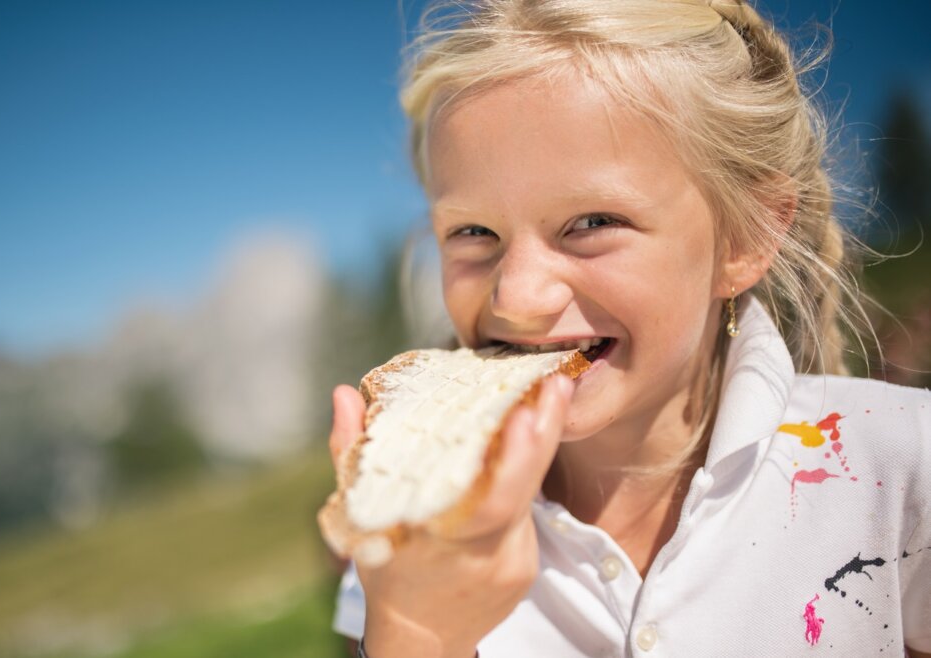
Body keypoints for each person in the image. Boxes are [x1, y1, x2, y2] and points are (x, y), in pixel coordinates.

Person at [323, 0, 931, 656]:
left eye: (592, 222)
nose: (519, 297)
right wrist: (415, 637)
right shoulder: (413, 534)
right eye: (474, 232)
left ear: (745, 236)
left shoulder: (900, 465)